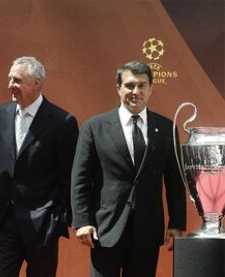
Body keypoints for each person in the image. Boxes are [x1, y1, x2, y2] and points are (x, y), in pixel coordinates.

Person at [71, 60, 186, 277]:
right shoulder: (94, 127)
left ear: (151, 89)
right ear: (118, 88)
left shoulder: (167, 128)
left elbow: (175, 180)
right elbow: (80, 179)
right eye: (129, 85)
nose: (136, 91)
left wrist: (177, 222)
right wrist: (83, 222)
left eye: (142, 85)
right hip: (105, 230)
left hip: (147, 229)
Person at [0, 56, 79, 277]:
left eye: (17, 80)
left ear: (36, 83)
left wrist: (58, 219)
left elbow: (69, 175)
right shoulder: (0, 114)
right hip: (4, 221)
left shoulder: (62, 121)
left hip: (42, 224)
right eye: (10, 79)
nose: (11, 85)